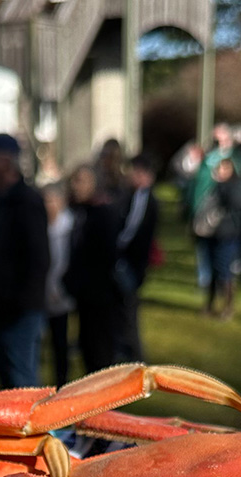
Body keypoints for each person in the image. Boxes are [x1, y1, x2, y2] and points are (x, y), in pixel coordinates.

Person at [0, 133, 50, 389]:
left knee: (22, 381)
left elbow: (38, 257)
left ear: (6, 161)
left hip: (20, 310)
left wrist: (22, 301)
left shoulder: (26, 201)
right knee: (6, 382)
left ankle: (34, 429)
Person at [63, 164, 125, 374]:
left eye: (80, 181)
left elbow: (103, 258)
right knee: (88, 352)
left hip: (100, 297)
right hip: (85, 297)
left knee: (100, 355)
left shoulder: (103, 214)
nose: (75, 186)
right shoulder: (81, 212)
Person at [115, 153, 159, 363]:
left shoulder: (145, 198)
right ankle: (127, 351)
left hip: (131, 263)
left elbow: (132, 230)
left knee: (129, 308)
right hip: (130, 261)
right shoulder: (134, 195)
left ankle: (135, 356)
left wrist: (114, 247)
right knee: (123, 308)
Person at [201, 158, 241, 320]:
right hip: (212, 234)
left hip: (227, 236)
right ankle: (210, 304)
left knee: (225, 271)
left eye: (225, 169)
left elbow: (234, 204)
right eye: (219, 169)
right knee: (212, 270)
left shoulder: (236, 186)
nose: (221, 172)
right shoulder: (216, 186)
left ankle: (228, 307)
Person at [42, 182, 75, 387]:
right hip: (40, 294)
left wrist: (59, 287)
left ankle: (62, 384)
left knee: (60, 343)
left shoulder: (69, 226)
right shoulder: (39, 225)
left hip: (61, 293)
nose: (48, 205)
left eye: (52, 200)